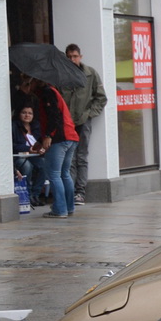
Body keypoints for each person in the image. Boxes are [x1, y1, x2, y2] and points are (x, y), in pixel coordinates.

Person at [22, 75, 79, 218]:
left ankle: (60, 210)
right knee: (64, 173)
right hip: (70, 136)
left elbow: (54, 116)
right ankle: (69, 207)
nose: (28, 86)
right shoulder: (52, 91)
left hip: (60, 137)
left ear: (36, 80)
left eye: (30, 82)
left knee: (54, 174)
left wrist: (48, 135)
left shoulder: (48, 92)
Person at [63, 43, 107, 205]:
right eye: (69, 57)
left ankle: (80, 192)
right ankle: (69, 191)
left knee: (81, 156)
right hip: (66, 123)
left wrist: (89, 114)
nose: (72, 59)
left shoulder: (90, 74)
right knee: (68, 158)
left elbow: (101, 98)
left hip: (83, 121)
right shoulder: (62, 75)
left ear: (80, 57)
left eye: (75, 56)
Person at [12, 104, 47, 210]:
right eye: (24, 112)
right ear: (19, 114)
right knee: (27, 167)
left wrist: (41, 148)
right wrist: (27, 148)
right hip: (18, 155)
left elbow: (38, 142)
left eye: (30, 113)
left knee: (44, 166)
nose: (27, 115)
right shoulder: (13, 126)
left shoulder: (35, 126)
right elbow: (11, 145)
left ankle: (36, 194)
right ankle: (29, 194)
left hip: (33, 154)